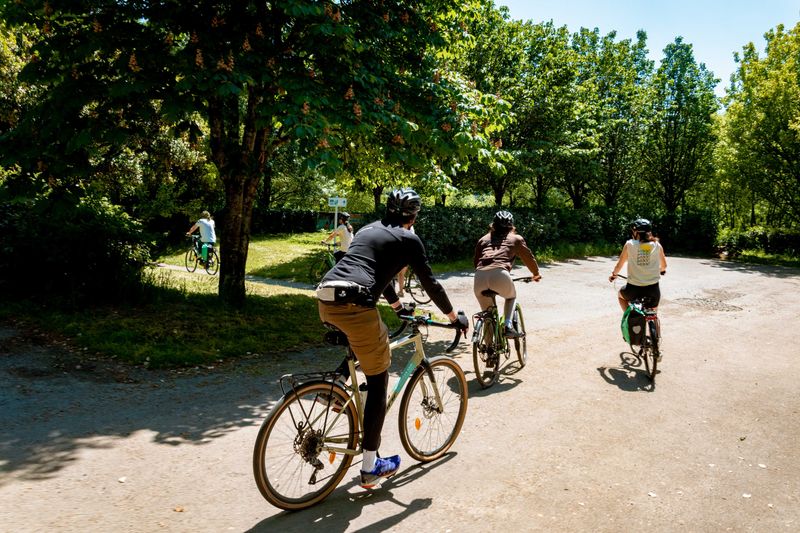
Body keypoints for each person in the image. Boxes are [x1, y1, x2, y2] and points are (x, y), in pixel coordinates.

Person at [315, 187, 469, 489]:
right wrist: (454, 318)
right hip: (355, 303)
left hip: (326, 298)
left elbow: (377, 272)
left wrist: (397, 306)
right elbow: (431, 283)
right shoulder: (409, 239)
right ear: (414, 216)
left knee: (369, 342)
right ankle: (371, 467)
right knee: (378, 380)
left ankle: (332, 388)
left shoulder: (368, 230)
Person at [473, 210, 542, 338]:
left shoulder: (483, 239)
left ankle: (489, 352)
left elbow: (476, 262)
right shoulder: (516, 239)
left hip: (479, 276)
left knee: (487, 315)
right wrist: (536, 273)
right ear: (512, 226)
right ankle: (507, 326)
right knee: (511, 297)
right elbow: (528, 258)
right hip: (500, 275)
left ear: (493, 225)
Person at [608, 218, 667, 311]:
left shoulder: (630, 244)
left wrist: (614, 275)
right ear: (649, 232)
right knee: (653, 313)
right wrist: (662, 270)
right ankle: (654, 324)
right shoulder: (656, 245)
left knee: (620, 295)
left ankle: (629, 317)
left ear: (636, 232)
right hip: (653, 291)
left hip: (633, 290)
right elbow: (664, 266)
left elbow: (619, 265)